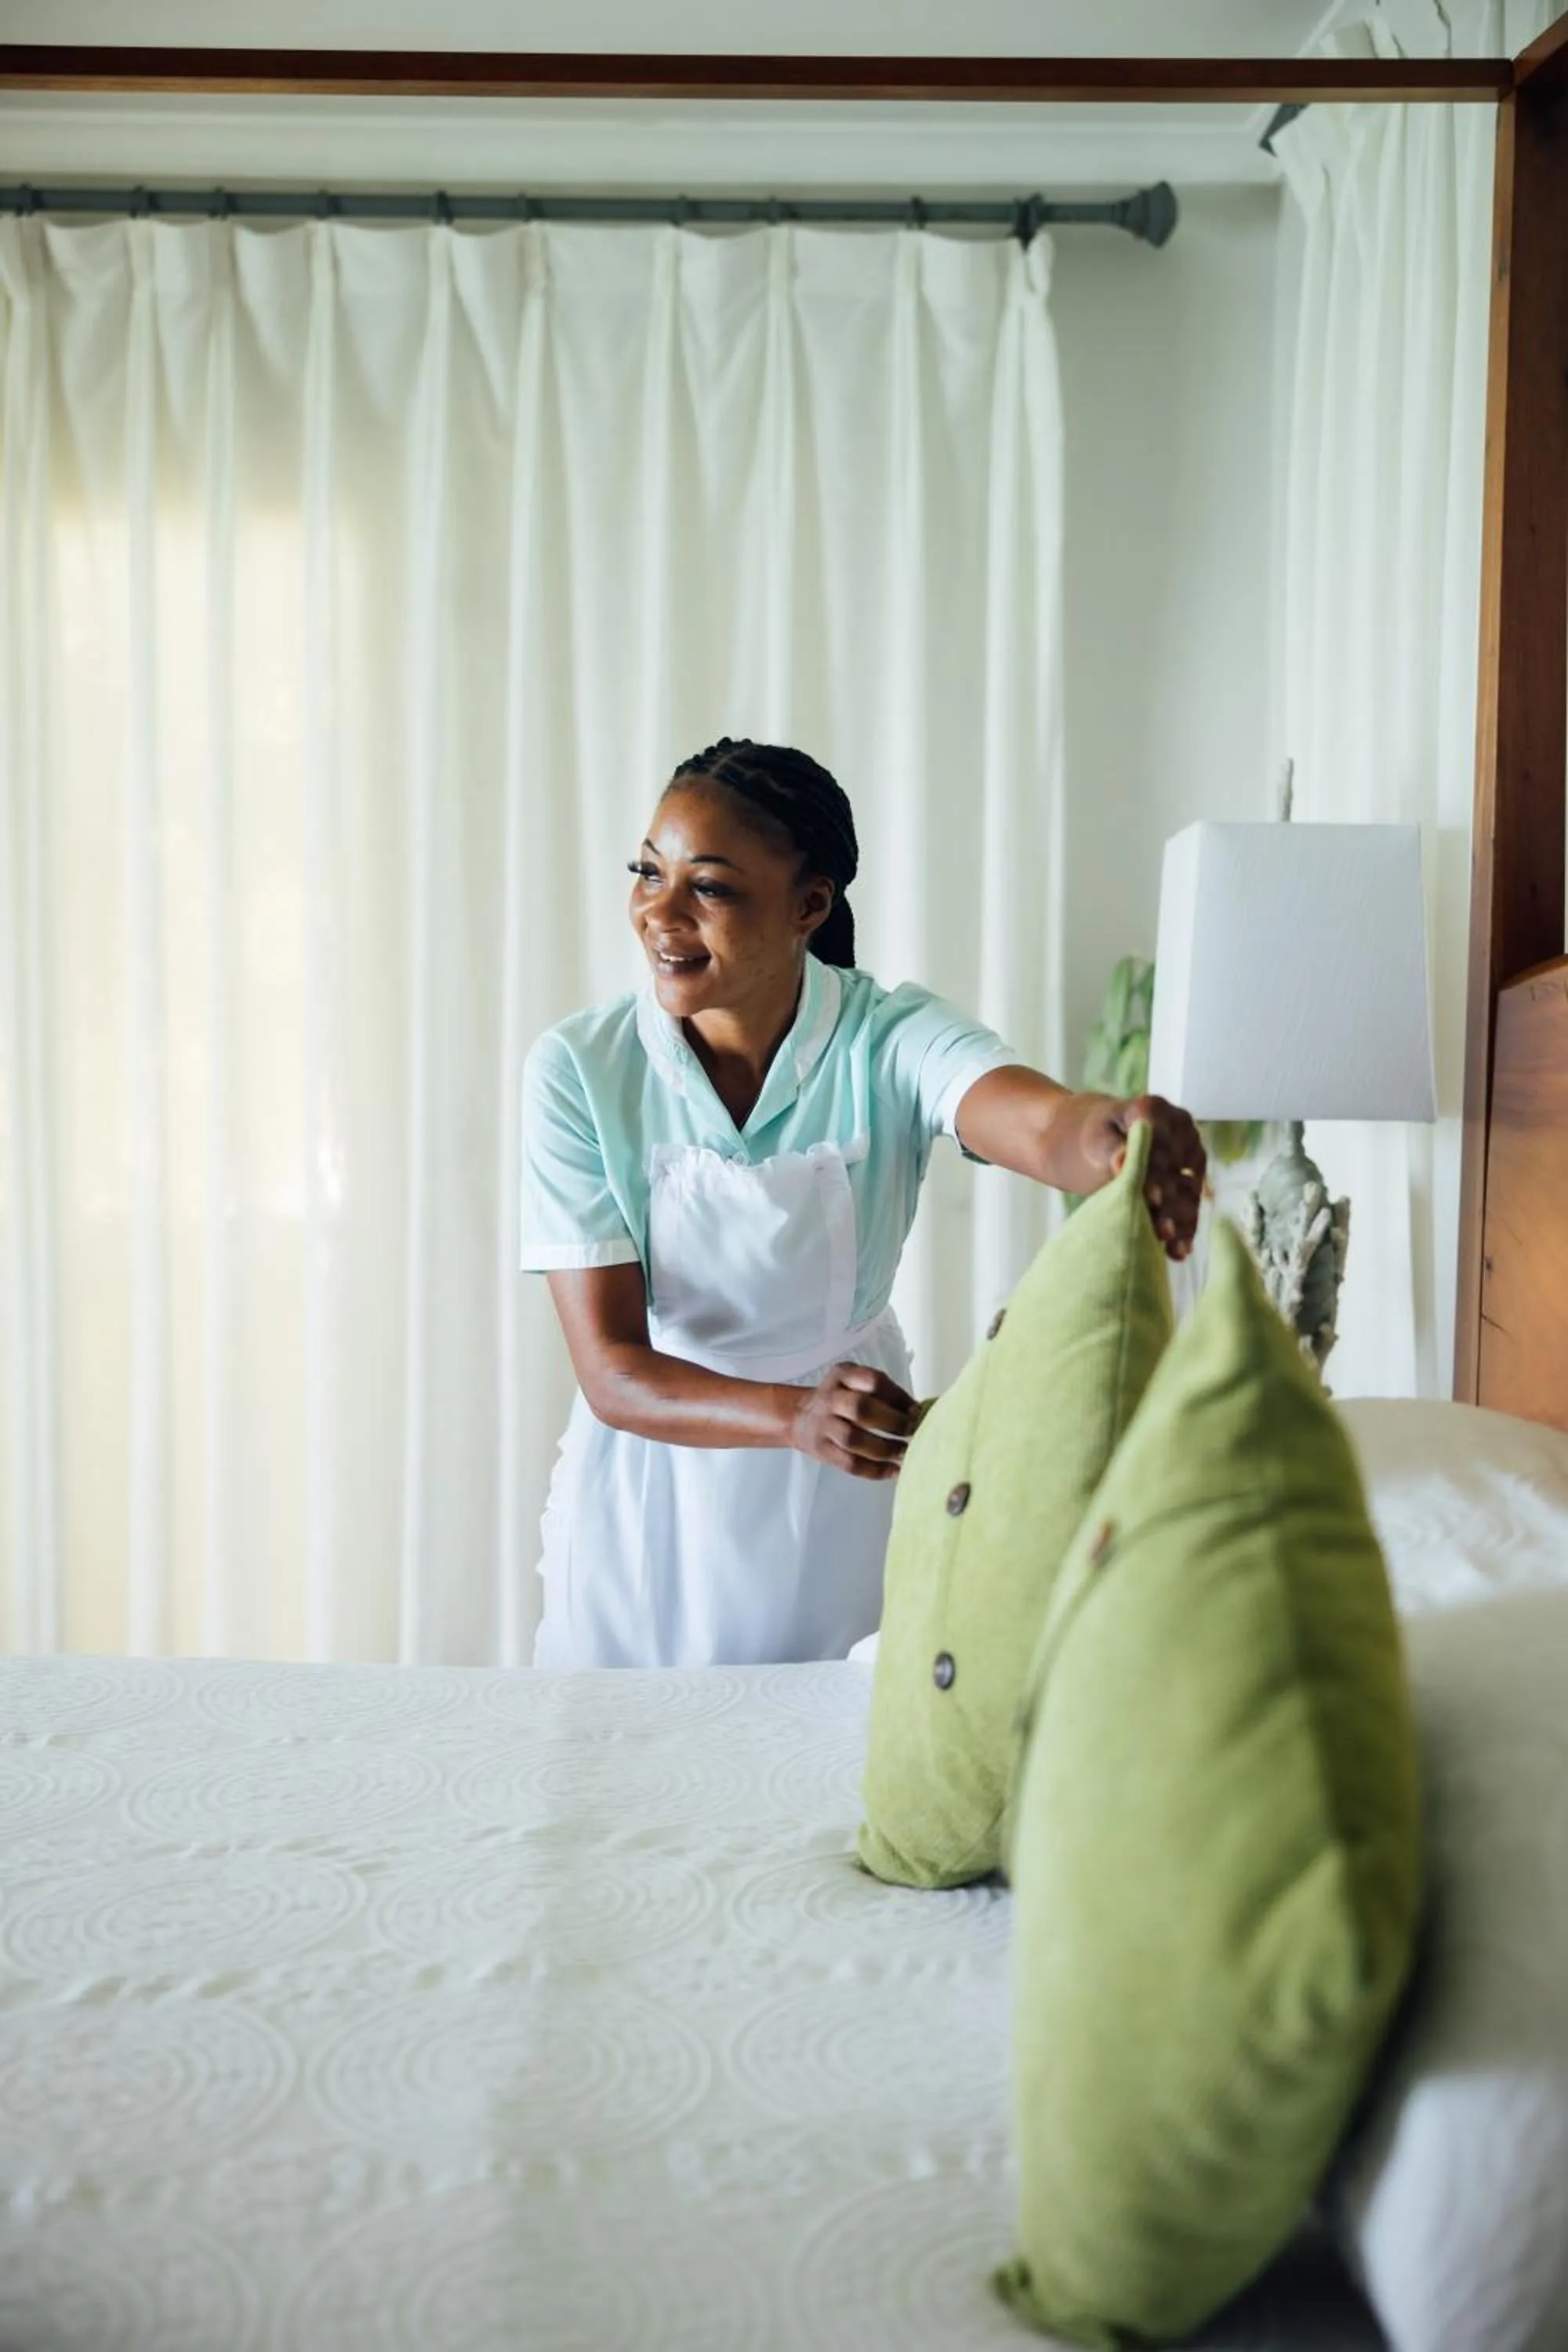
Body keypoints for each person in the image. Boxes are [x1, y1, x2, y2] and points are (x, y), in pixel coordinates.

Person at [520, 737, 1204, 1669]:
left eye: (708, 887)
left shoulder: (887, 1038)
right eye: (647, 871)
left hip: (848, 1481)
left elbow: (1032, 1121)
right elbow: (612, 1374)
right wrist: (794, 1417)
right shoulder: (579, 1069)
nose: (659, 913)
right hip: (648, 1493)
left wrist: (1111, 1131)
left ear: (809, 905)